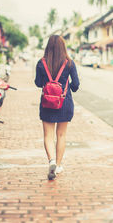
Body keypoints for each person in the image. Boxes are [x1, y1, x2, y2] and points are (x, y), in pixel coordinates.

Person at [34, 35, 80, 180]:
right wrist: (68, 86)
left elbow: (37, 82)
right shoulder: (69, 63)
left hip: (47, 103)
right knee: (61, 135)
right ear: (63, 47)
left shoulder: (41, 63)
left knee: (48, 135)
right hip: (64, 102)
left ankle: (51, 161)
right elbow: (76, 85)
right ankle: (58, 166)